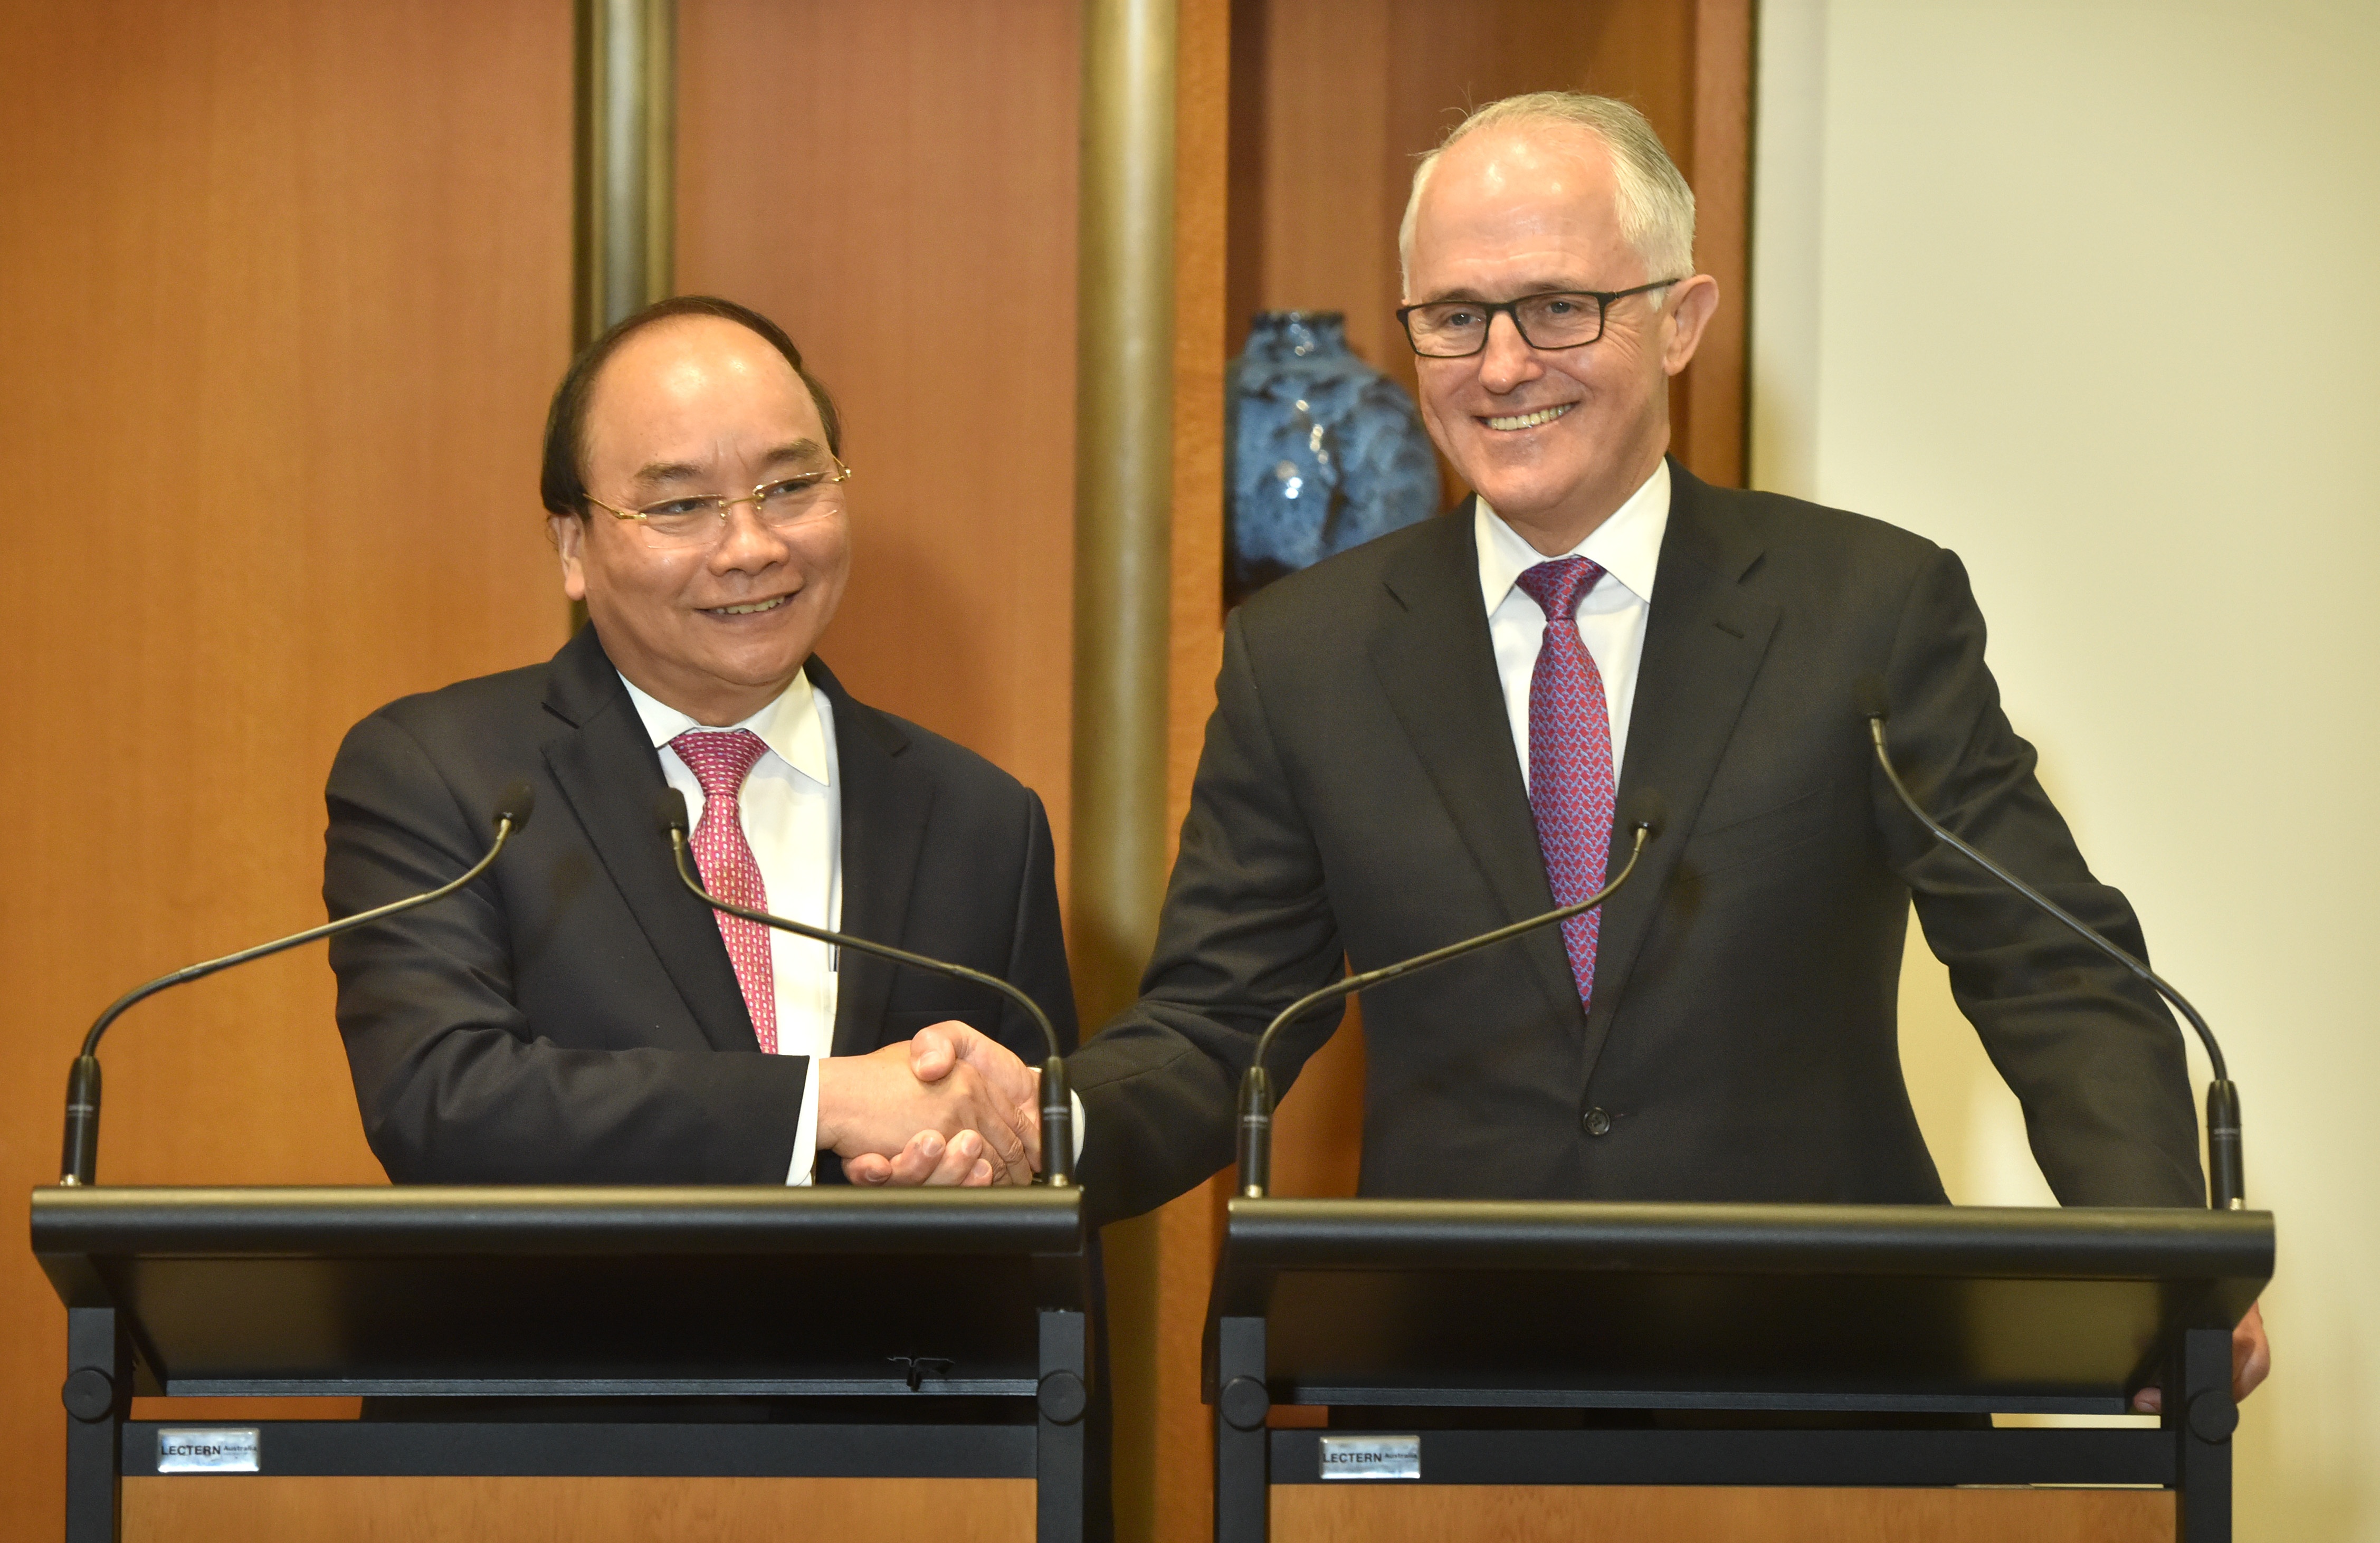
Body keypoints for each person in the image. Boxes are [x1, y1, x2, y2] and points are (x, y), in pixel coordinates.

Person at [973, 92, 2267, 1398]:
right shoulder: (1303, 654)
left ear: (1679, 320)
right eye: (1453, 317)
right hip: (1440, 1385)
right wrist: (1036, 1121)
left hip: (1824, 1380)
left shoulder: (1865, 610)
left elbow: (2050, 968)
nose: (1498, 366)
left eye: (1555, 308)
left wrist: (2160, 1260)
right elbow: (1216, 1026)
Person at [322, 295, 1074, 1190]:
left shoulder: (981, 819)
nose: (751, 547)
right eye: (681, 505)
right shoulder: (443, 775)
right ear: (572, 545)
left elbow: (1044, 1168)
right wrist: (823, 1104)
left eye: (791, 488)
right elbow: (442, 1102)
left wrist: (983, 1163)